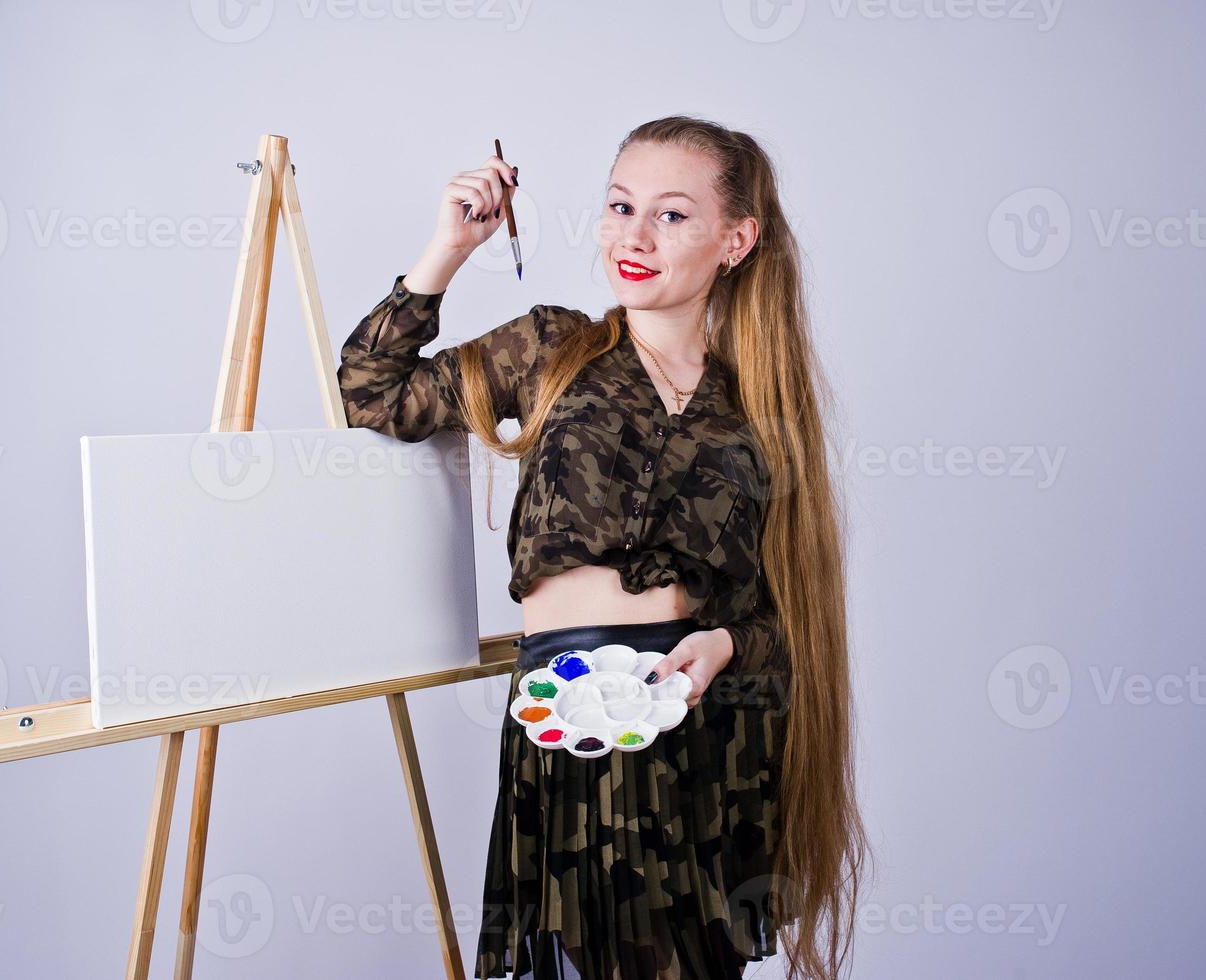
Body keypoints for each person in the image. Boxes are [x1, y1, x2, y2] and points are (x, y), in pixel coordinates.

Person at [337, 115, 868, 980]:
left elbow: (779, 616)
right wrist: (449, 247)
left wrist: (726, 642)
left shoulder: (752, 410)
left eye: (670, 215)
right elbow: (371, 393)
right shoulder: (552, 347)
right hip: (568, 708)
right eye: (621, 206)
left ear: (735, 240)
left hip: (694, 722)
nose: (633, 235)